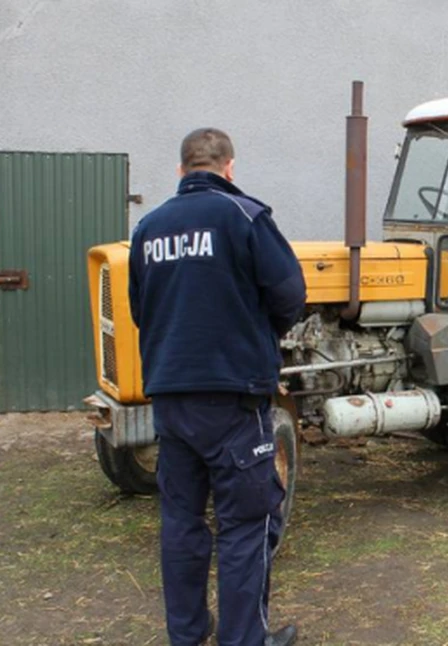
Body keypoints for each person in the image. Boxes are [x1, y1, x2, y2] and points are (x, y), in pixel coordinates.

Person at [128, 127, 306, 646]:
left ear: (182, 170)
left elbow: (143, 309)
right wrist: (259, 332)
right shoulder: (245, 216)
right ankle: (244, 639)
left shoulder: (149, 228)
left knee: (181, 522)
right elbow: (290, 294)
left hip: (170, 399)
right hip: (233, 399)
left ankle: (187, 634)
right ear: (229, 168)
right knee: (246, 525)